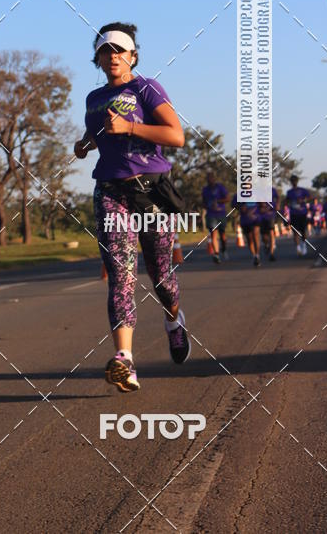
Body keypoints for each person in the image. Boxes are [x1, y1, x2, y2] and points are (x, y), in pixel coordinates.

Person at [73, 22, 189, 393]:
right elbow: (100, 131)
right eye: (106, 50)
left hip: (151, 193)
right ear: (98, 57)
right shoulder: (93, 98)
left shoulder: (147, 88)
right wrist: (85, 144)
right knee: (121, 276)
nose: (113, 56)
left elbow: (176, 136)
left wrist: (131, 128)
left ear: (133, 55)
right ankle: (125, 360)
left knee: (161, 278)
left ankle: (174, 320)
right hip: (110, 191)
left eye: (120, 50)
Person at [201, 171, 229, 263]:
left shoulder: (220, 187)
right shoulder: (205, 190)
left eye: (211, 178)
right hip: (211, 214)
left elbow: (227, 198)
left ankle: (224, 249)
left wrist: (219, 202)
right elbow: (203, 202)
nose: (210, 180)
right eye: (208, 178)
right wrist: (207, 206)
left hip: (221, 214)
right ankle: (216, 254)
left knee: (223, 235)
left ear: (214, 179)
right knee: (213, 233)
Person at [284, 175, 310, 256]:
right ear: (291, 182)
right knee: (295, 232)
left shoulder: (303, 190)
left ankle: (304, 245)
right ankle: (298, 248)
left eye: (295, 181)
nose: (294, 182)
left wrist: (302, 200)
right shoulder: (289, 192)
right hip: (294, 214)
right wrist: (287, 205)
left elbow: (309, 197)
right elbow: (286, 201)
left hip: (302, 213)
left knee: (304, 231)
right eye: (292, 181)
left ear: (297, 181)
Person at [232, 196, 262, 266]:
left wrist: (259, 206)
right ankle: (254, 255)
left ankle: (257, 255)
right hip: (245, 220)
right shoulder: (239, 194)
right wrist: (240, 207)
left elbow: (263, 203)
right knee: (249, 239)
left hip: (255, 218)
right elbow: (233, 204)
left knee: (255, 234)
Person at [257, 187, 279, 262]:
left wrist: (277, 205)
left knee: (271, 233)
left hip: (270, 215)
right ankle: (266, 244)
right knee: (264, 237)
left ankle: (271, 253)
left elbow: (277, 197)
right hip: (261, 216)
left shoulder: (272, 190)